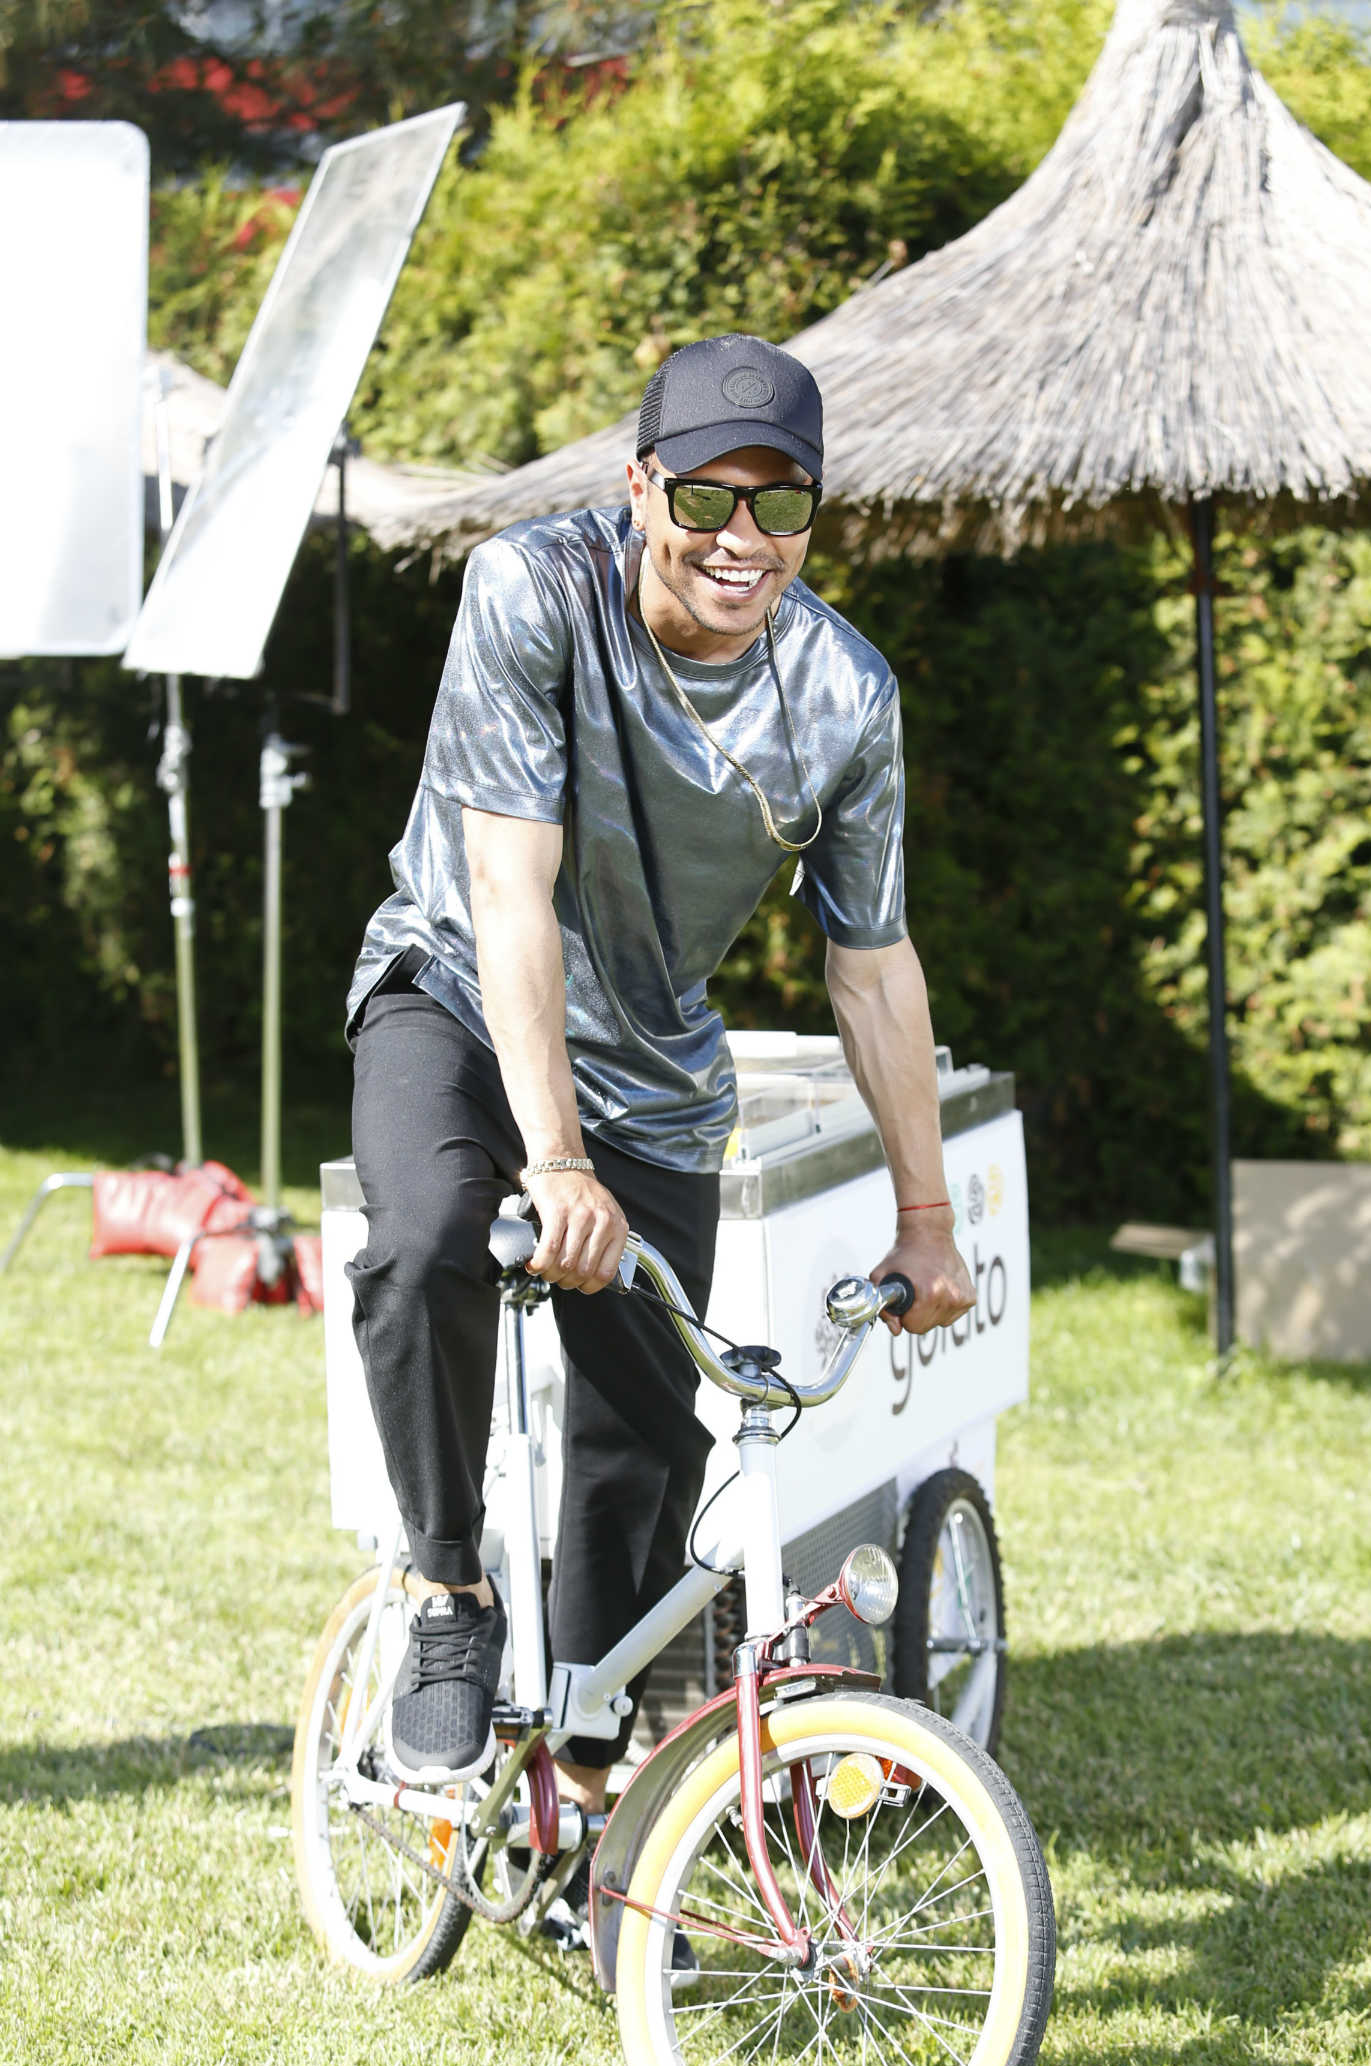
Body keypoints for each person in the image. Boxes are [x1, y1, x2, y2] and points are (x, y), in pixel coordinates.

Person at [344, 332, 974, 1844]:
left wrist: (929, 1218)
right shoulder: (533, 591)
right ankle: (446, 1588)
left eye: (782, 504)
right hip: (455, 991)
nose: (741, 539)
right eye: (705, 497)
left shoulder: (844, 696)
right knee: (425, 1239)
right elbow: (512, 890)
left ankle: (582, 1771)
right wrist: (554, 1163)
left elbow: (872, 968)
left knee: (644, 1437)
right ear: (640, 488)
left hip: (653, 1073)